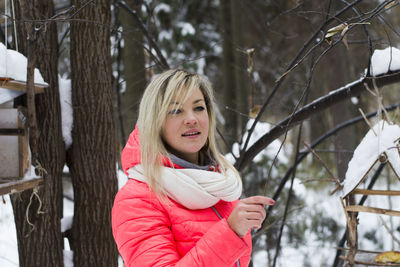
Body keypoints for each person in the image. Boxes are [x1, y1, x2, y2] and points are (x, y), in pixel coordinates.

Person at [112, 69, 275, 267]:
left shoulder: (218, 184)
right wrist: (230, 232)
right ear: (154, 122)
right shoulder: (137, 198)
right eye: (175, 110)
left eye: (198, 108)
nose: (191, 119)